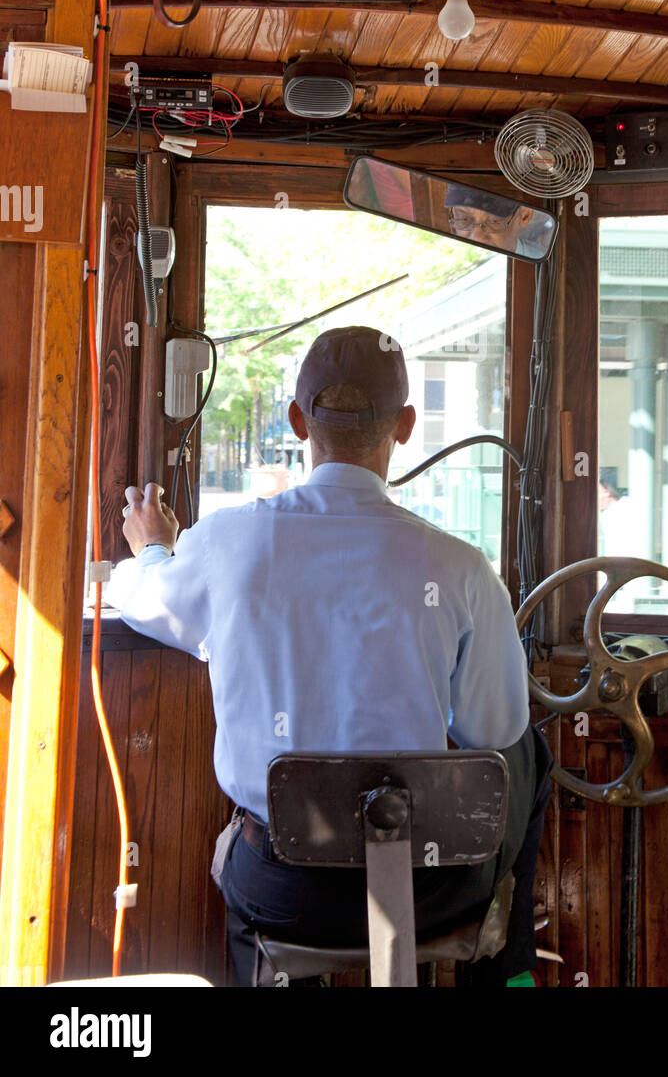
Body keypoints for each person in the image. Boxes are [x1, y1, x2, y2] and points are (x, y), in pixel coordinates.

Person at [107, 324, 552, 986]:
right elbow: (492, 731)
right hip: (425, 891)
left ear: (295, 419)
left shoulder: (231, 544)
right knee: (530, 751)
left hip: (284, 889)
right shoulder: (460, 567)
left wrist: (151, 548)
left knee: (253, 870)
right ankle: (508, 966)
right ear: (405, 425)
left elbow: (141, 598)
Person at [443, 184, 550, 257]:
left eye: (494, 221)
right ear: (453, 213)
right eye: (464, 219)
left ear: (525, 216)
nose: (477, 238)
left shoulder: (543, 265)